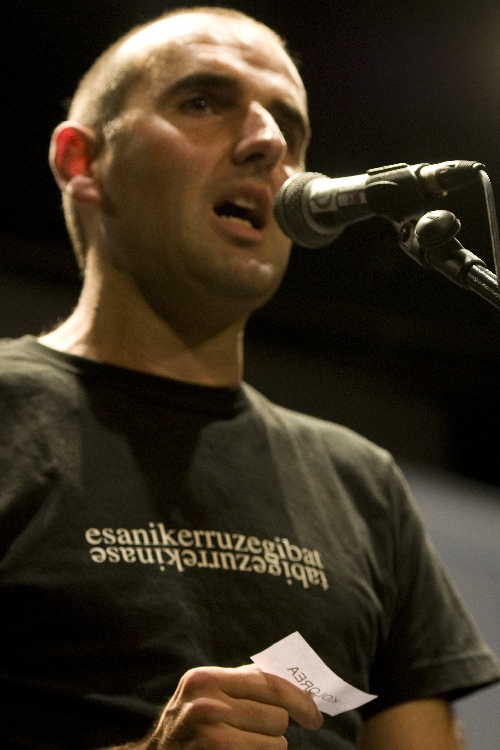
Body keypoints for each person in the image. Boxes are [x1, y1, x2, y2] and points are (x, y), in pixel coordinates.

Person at [1, 6, 499, 750]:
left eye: (289, 127)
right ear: (83, 163)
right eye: (203, 101)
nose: (268, 141)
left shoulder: (361, 482)